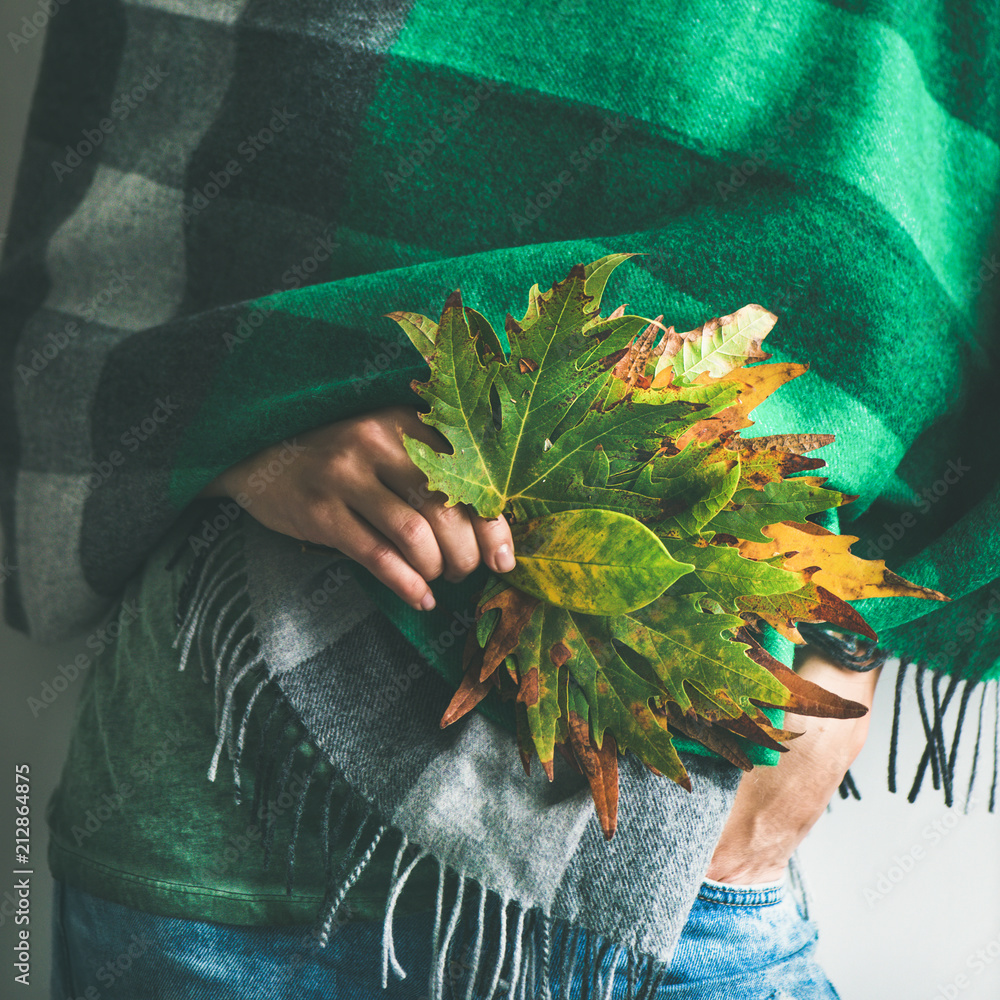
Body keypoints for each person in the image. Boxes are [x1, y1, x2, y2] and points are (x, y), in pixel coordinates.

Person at [3, 1, 997, 998]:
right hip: (216, 824)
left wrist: (848, 638)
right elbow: (108, 291)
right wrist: (239, 444)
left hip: (679, 845)